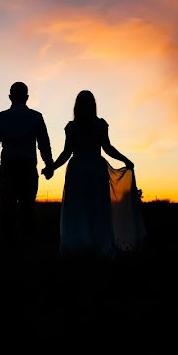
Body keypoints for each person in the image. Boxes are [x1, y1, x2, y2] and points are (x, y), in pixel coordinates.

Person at [41, 90, 145, 258]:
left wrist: (52, 167)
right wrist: (125, 160)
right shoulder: (99, 125)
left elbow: (66, 153)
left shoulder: (73, 127)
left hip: (78, 171)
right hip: (95, 169)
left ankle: (79, 245)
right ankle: (95, 245)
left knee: (78, 209)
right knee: (97, 208)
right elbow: (108, 149)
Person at [0, 82, 54, 252]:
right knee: (27, 211)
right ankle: (27, 250)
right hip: (27, 169)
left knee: (7, 211)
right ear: (27, 97)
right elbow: (44, 144)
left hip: (8, 168)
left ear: (10, 97)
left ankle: (8, 250)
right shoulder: (36, 117)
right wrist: (49, 164)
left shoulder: (0, 118)